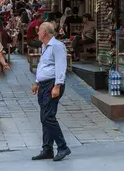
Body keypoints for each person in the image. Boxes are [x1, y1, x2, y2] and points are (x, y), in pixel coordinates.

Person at [31, 22, 70, 162]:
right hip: (44, 84)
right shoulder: (45, 46)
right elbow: (43, 65)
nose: (37, 33)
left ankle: (62, 146)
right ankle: (47, 148)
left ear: (45, 33)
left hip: (52, 84)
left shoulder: (57, 46)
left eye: (39, 30)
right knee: (44, 117)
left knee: (48, 117)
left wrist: (57, 86)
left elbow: (61, 66)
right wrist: (36, 82)